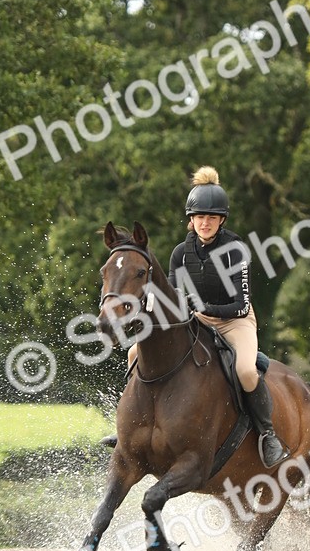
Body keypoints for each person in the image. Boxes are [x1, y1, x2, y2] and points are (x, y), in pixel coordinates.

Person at [120, 166, 290, 467]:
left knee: (247, 371)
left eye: (211, 217)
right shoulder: (180, 254)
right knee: (135, 351)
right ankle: (133, 428)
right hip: (196, 320)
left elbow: (240, 303)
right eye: (200, 217)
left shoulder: (235, 250)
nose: (205, 222)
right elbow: (170, 297)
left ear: (221, 220)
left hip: (235, 321)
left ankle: (268, 434)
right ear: (191, 220)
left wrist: (203, 308)